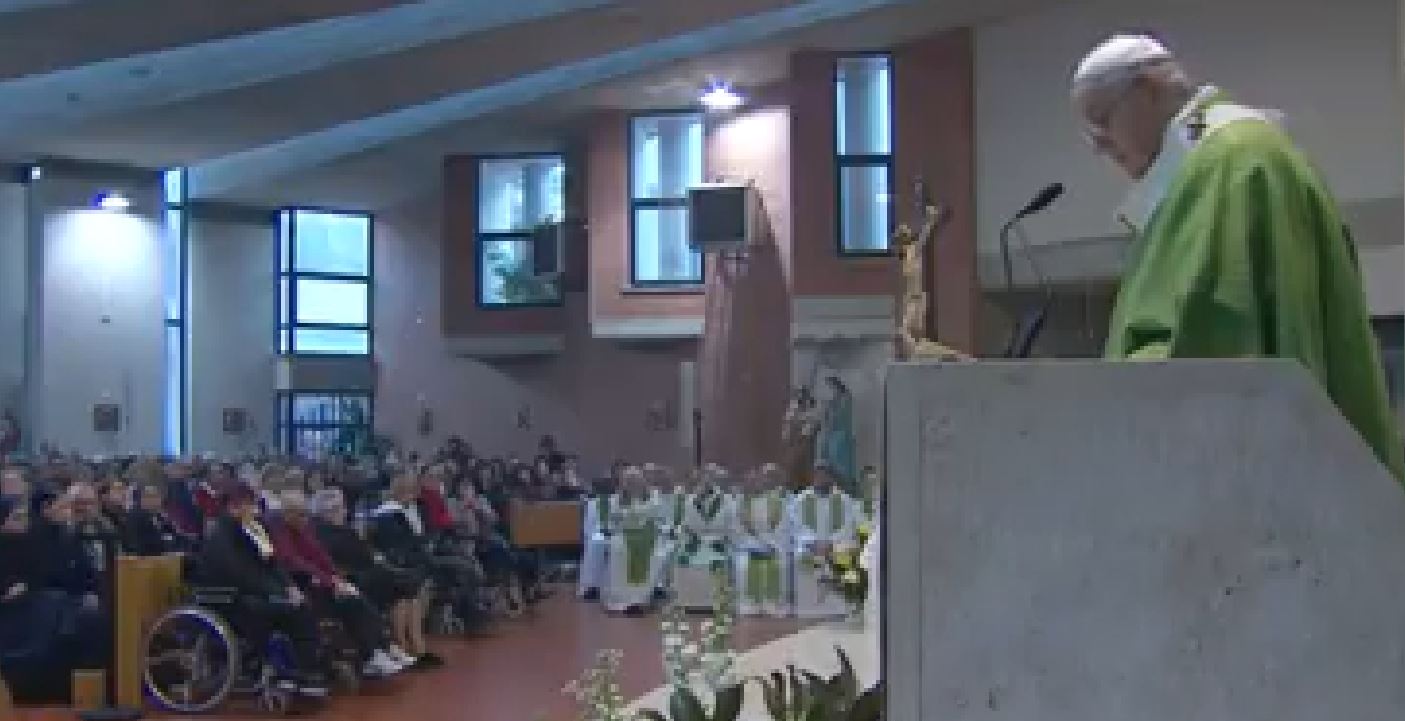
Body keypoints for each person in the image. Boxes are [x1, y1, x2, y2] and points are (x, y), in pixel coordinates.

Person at [1071, 34, 1405, 480]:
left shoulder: (1227, 162)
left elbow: (1207, 333)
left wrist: (1108, 403)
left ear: (1148, 88)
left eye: (1101, 120)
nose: (1099, 146)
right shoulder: (1227, 157)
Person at [198, 481, 329, 697]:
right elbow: (239, 575)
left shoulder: (254, 529)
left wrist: (289, 586)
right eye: (250, 505)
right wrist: (276, 592)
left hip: (254, 593)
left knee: (301, 606)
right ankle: (288, 671)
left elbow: (273, 563)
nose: (255, 509)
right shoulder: (220, 535)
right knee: (286, 610)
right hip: (229, 598)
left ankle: (306, 670)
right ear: (233, 507)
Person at [311, 488, 426, 670]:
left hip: (362, 573)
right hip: (348, 579)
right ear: (326, 512)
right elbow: (342, 560)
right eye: (339, 509)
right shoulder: (323, 533)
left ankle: (405, 642)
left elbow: (363, 554)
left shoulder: (342, 530)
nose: (344, 512)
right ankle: (389, 646)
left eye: (343, 508)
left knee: (405, 587)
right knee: (397, 585)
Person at [787, 466, 860, 619]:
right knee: (802, 557)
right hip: (809, 546)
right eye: (818, 476)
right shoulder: (801, 500)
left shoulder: (844, 500)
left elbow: (849, 525)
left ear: (831, 478)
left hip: (837, 545)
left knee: (845, 556)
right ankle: (809, 608)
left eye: (825, 476)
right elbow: (795, 524)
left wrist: (831, 543)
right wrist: (812, 542)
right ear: (813, 478)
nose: (821, 479)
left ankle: (838, 608)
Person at [733, 464, 793, 617]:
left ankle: (772, 602)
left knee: (776, 563)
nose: (754, 484)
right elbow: (738, 529)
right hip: (749, 545)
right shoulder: (742, 503)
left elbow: (783, 527)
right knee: (744, 564)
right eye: (750, 481)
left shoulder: (777, 501)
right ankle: (751, 603)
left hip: (773, 543)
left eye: (757, 480)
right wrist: (753, 545)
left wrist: (771, 544)